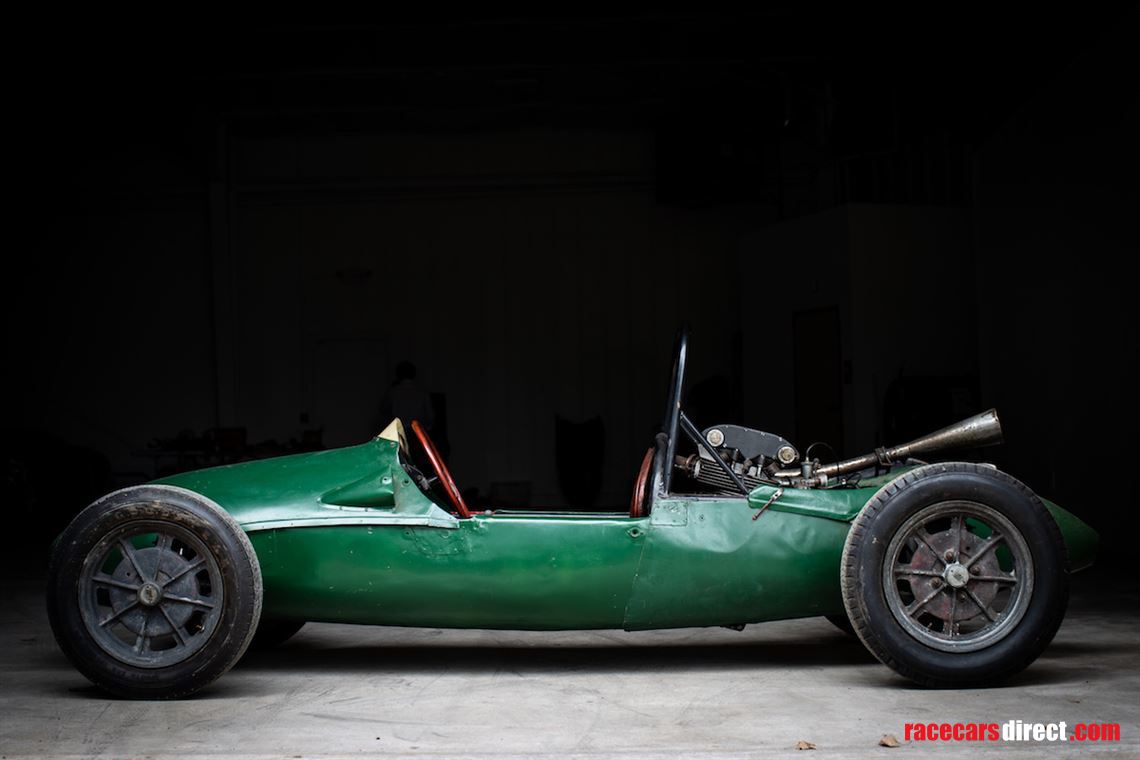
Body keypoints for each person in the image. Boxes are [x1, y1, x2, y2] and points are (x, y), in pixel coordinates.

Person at [379, 360, 435, 431]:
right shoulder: (422, 392)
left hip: (398, 431)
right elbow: (430, 415)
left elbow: (383, 410)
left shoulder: (393, 392)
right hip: (417, 431)